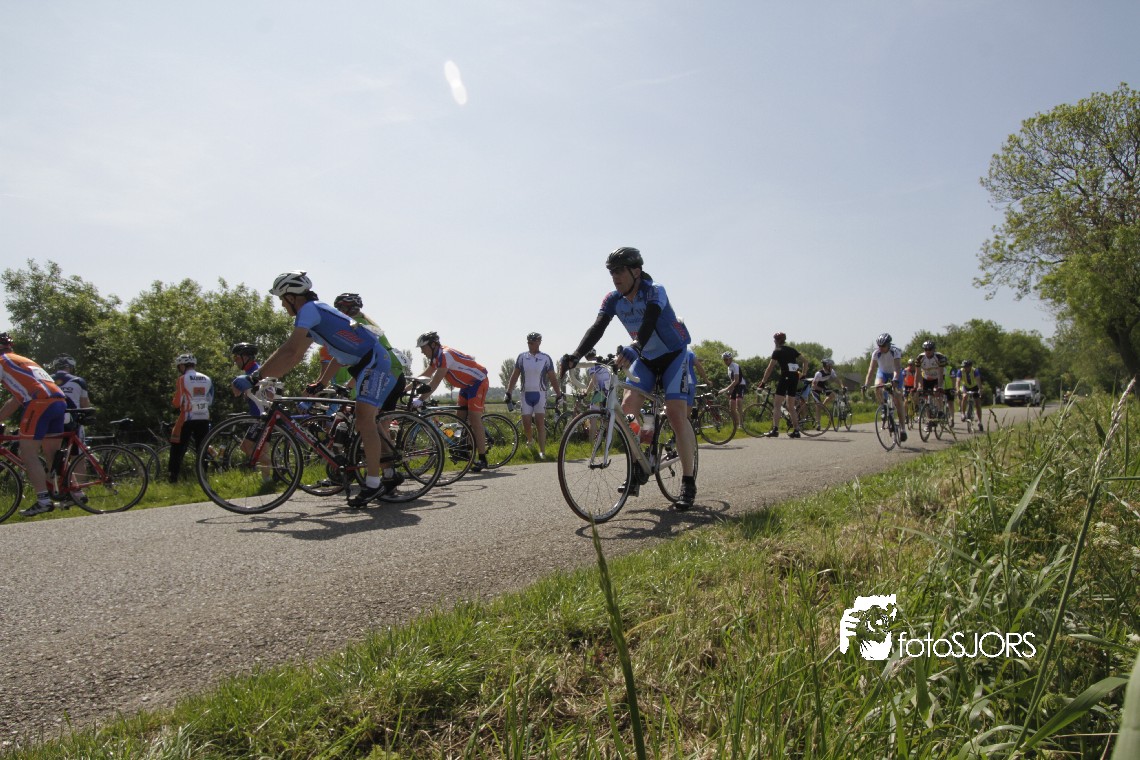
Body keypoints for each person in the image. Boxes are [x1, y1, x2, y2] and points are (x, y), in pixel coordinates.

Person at [558, 246, 698, 508]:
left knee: (676, 414)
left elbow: (650, 322)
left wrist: (634, 346)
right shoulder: (613, 299)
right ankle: (637, 464)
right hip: (646, 358)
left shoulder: (655, 290)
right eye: (611, 272)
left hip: (673, 355)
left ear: (636, 271)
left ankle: (688, 481)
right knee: (627, 407)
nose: (615, 277)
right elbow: (598, 327)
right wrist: (575, 355)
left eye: (620, 271)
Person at [246, 271, 403, 506]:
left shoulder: (309, 310)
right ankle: (386, 473)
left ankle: (373, 483)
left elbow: (289, 350)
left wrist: (255, 376)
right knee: (362, 419)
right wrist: (315, 382)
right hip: (364, 363)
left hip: (374, 361)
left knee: (364, 419)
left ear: (292, 297)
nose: (282, 305)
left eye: (282, 299)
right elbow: (296, 356)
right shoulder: (315, 314)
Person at [0, 333, 68, 517]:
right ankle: (72, 492)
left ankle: (43, 501)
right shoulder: (23, 361)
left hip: (39, 403)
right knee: (52, 454)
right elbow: (15, 400)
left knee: (27, 453)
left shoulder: (2, 362)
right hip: (58, 401)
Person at [311, 293, 408, 412]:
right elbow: (365, 362)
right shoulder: (364, 321)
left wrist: (321, 383)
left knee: (365, 416)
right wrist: (349, 386)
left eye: (340, 308)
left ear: (349, 308)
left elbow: (338, 359)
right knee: (377, 419)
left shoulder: (354, 326)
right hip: (393, 373)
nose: (338, 312)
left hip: (386, 372)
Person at [414, 331, 492, 472]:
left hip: (478, 381)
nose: (422, 351)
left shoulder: (445, 356)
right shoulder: (436, 357)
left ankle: (482, 458)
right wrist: (405, 388)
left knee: (474, 419)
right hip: (465, 385)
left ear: (433, 345)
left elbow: (434, 382)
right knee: (460, 419)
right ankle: (464, 449)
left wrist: (420, 399)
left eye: (423, 348)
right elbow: (425, 375)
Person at [505, 332, 562, 460]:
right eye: (528, 343)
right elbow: (515, 375)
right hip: (525, 393)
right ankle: (530, 441)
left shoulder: (546, 358)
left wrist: (558, 394)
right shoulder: (522, 357)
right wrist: (508, 391)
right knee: (526, 422)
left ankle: (542, 451)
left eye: (532, 343)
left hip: (540, 393)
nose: (530, 345)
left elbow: (552, 377)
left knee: (539, 422)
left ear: (539, 342)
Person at [169, 353, 214, 483]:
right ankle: (203, 476)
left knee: (177, 447)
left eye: (179, 367)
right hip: (204, 416)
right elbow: (210, 400)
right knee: (202, 448)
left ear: (182, 366)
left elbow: (177, 402)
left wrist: (175, 402)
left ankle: (173, 477)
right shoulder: (207, 378)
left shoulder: (182, 379)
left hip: (187, 417)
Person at [757, 332, 804, 438]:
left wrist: (763, 382)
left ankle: (775, 430)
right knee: (791, 406)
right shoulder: (792, 350)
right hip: (795, 378)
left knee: (777, 405)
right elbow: (805, 361)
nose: (774, 341)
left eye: (774, 340)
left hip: (785, 377)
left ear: (777, 340)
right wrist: (804, 374)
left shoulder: (777, 351)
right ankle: (796, 431)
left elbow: (770, 368)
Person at [862, 332, 908, 441]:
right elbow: (871, 370)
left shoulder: (895, 351)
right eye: (879, 346)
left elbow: (897, 368)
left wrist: (895, 379)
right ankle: (884, 407)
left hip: (895, 373)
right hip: (882, 372)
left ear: (888, 344)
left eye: (883, 346)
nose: (881, 348)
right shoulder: (876, 353)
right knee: (877, 387)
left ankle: (903, 429)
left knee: (898, 399)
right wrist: (866, 384)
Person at [51, 355, 92, 440]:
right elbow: (85, 405)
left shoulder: (47, 380)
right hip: (72, 420)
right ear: (70, 367)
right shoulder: (78, 381)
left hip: (51, 419)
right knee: (77, 447)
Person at [915, 341, 950, 419]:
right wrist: (918, 386)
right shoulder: (920, 357)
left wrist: (940, 387)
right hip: (926, 378)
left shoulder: (939, 357)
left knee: (937, 392)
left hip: (937, 377)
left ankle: (940, 411)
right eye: (926, 349)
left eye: (930, 349)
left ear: (934, 349)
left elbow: (940, 373)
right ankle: (928, 417)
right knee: (924, 395)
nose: (928, 351)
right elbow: (918, 373)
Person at [719, 351, 747, 429]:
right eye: (724, 360)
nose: (725, 361)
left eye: (726, 359)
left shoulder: (735, 366)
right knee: (732, 407)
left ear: (731, 359)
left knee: (739, 402)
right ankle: (736, 424)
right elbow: (732, 381)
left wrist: (725, 389)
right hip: (735, 386)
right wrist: (730, 390)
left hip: (740, 385)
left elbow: (736, 380)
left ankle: (741, 423)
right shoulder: (728, 368)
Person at [956, 359, 984, 431]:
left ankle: (980, 422)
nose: (964, 368)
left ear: (970, 366)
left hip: (975, 387)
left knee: (977, 404)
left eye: (966, 367)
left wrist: (980, 389)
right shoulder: (960, 371)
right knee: (964, 396)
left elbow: (978, 380)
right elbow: (958, 381)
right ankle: (963, 414)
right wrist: (958, 389)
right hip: (966, 387)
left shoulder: (975, 371)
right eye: (963, 367)